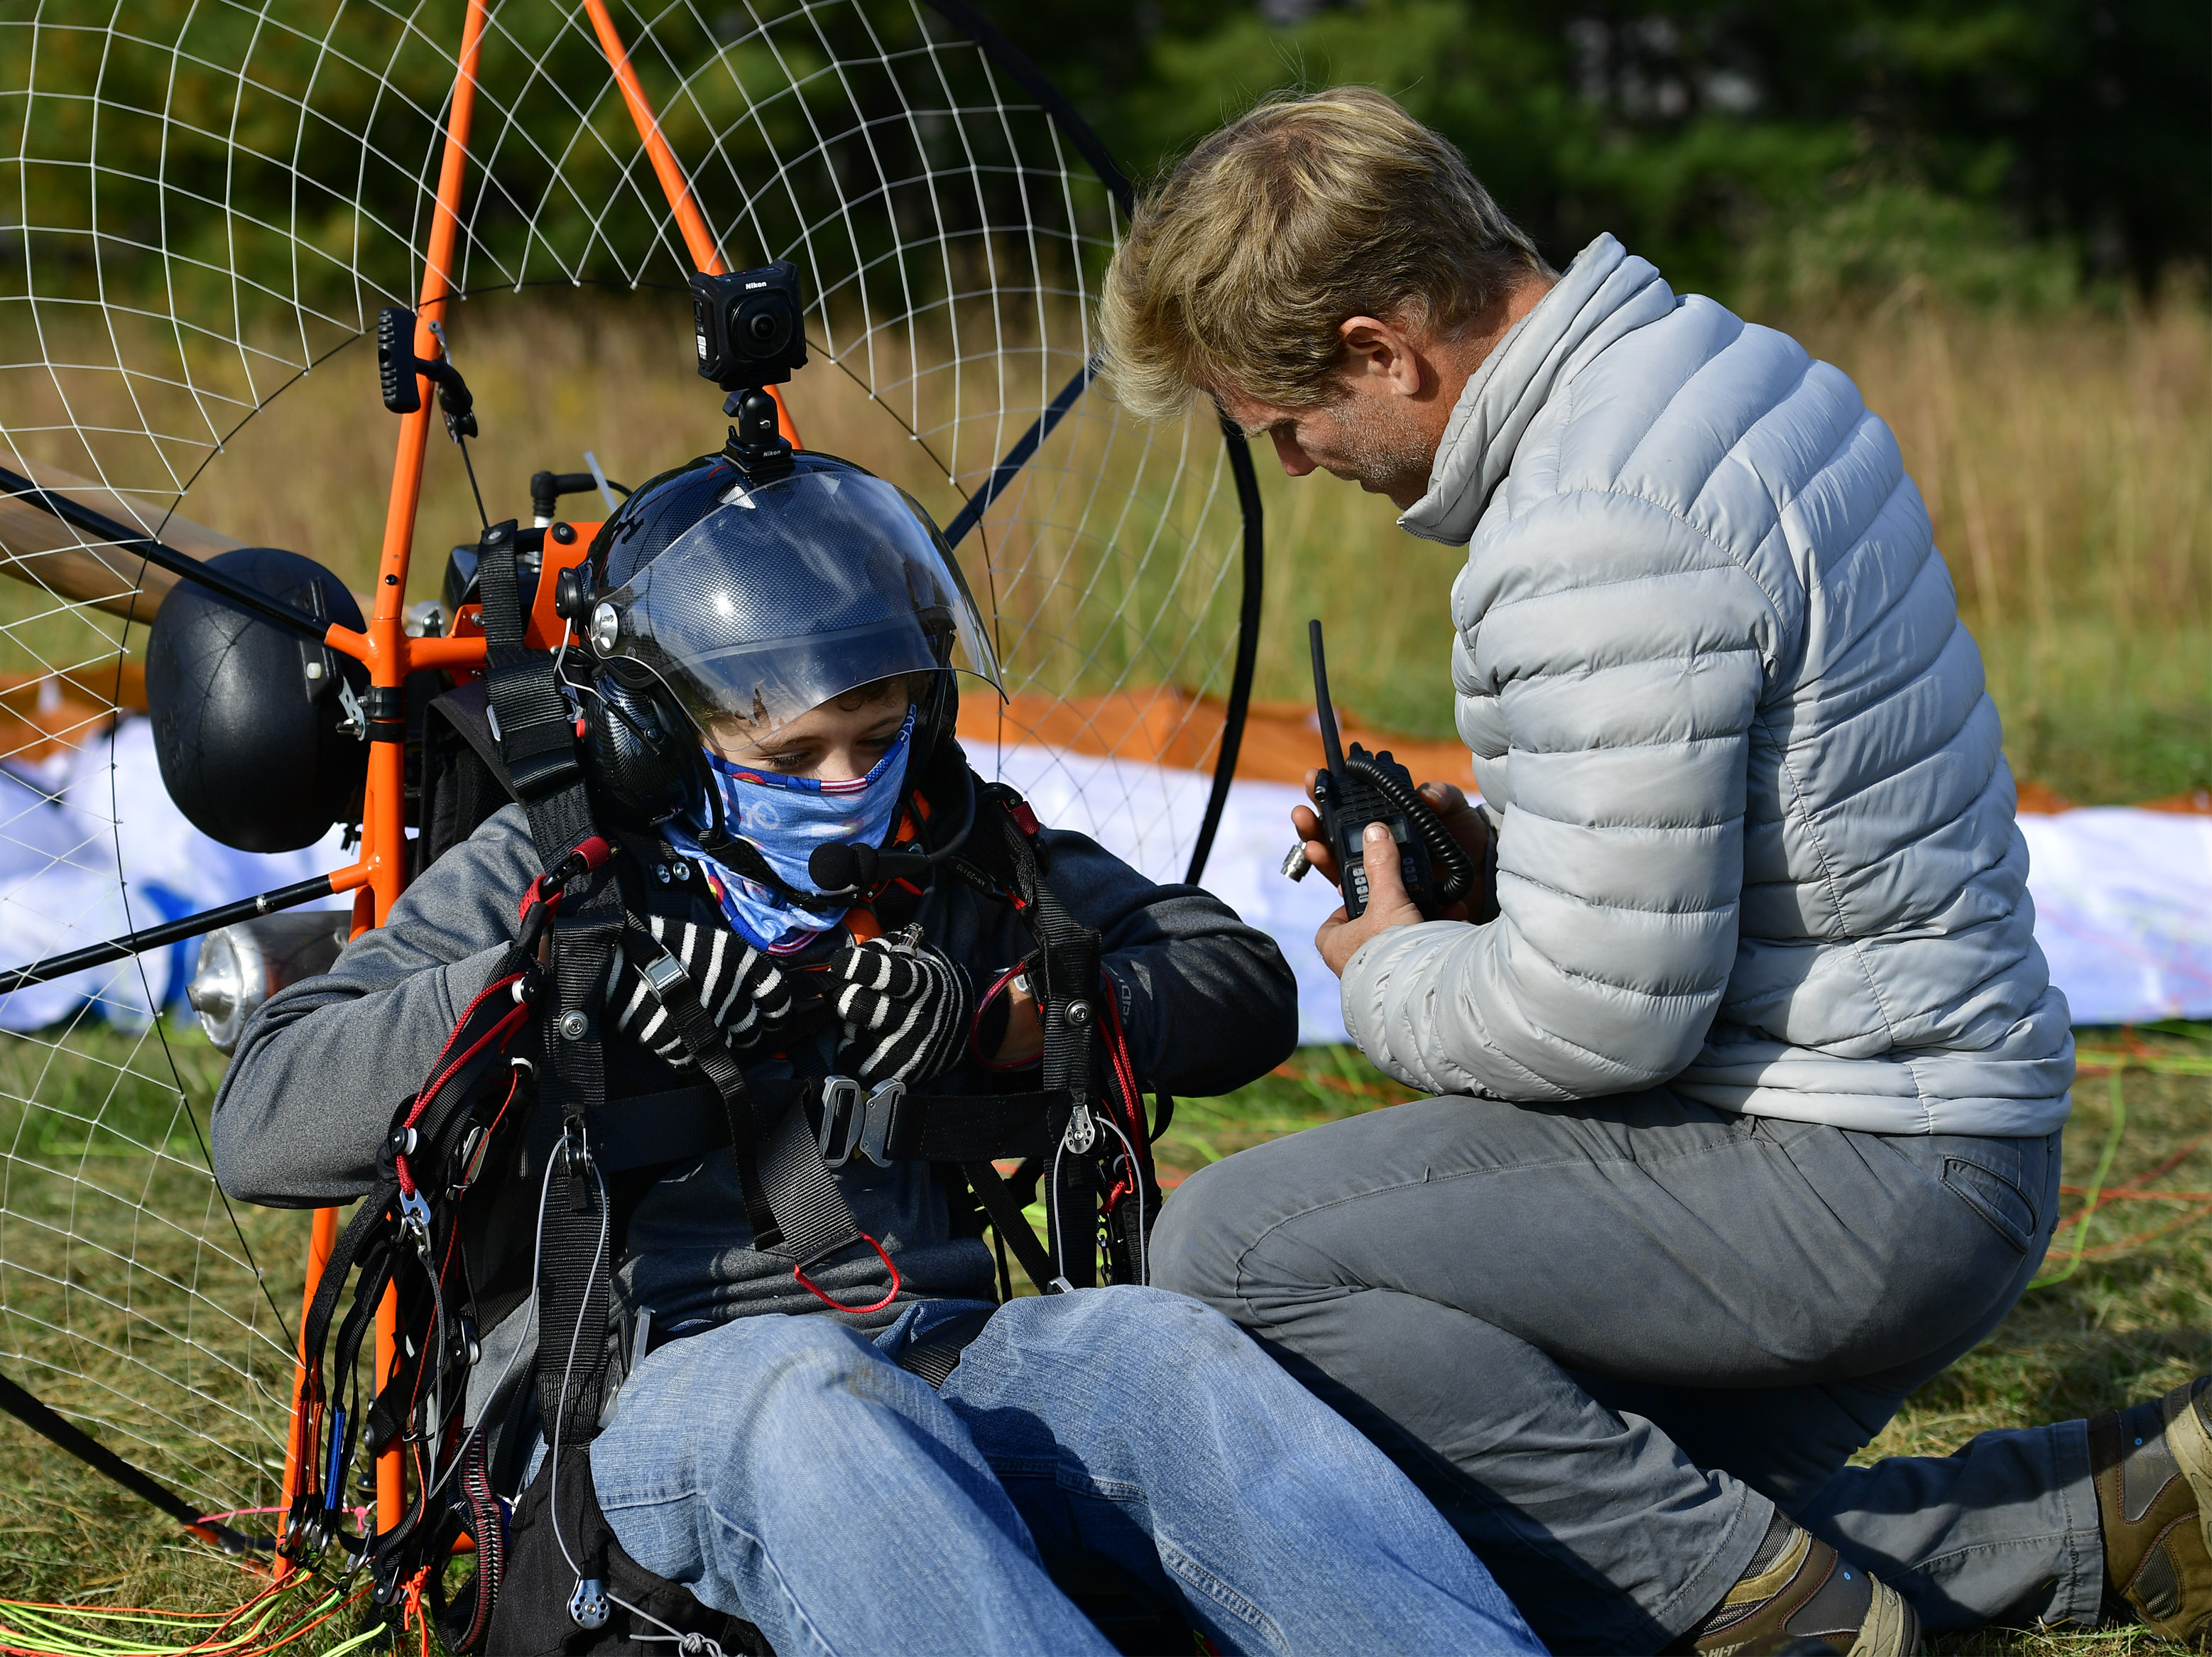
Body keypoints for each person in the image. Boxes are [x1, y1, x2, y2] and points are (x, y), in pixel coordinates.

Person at [1102, 85, 2212, 1656]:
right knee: (1483, 1510)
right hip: (1938, 1129)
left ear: (1378, 351)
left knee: (1231, 1247)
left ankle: (1773, 1623)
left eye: (1282, 424)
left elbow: (1597, 1025)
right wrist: (1501, 873)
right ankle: (2101, 1519)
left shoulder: (1584, 525)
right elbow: (1761, 838)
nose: (1291, 461)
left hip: (1856, 1180)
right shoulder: (1716, 371)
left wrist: (1395, 963)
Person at [209, 445, 1544, 1657]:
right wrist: (558, 989)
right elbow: (263, 1121)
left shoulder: (948, 848)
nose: (850, 784)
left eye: (877, 735)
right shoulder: (552, 878)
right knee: (811, 1395)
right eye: (793, 752)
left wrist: (1007, 1009)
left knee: (1159, 1352)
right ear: (657, 735)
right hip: (656, 1402)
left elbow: (1233, 980)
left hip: (944, 1352)